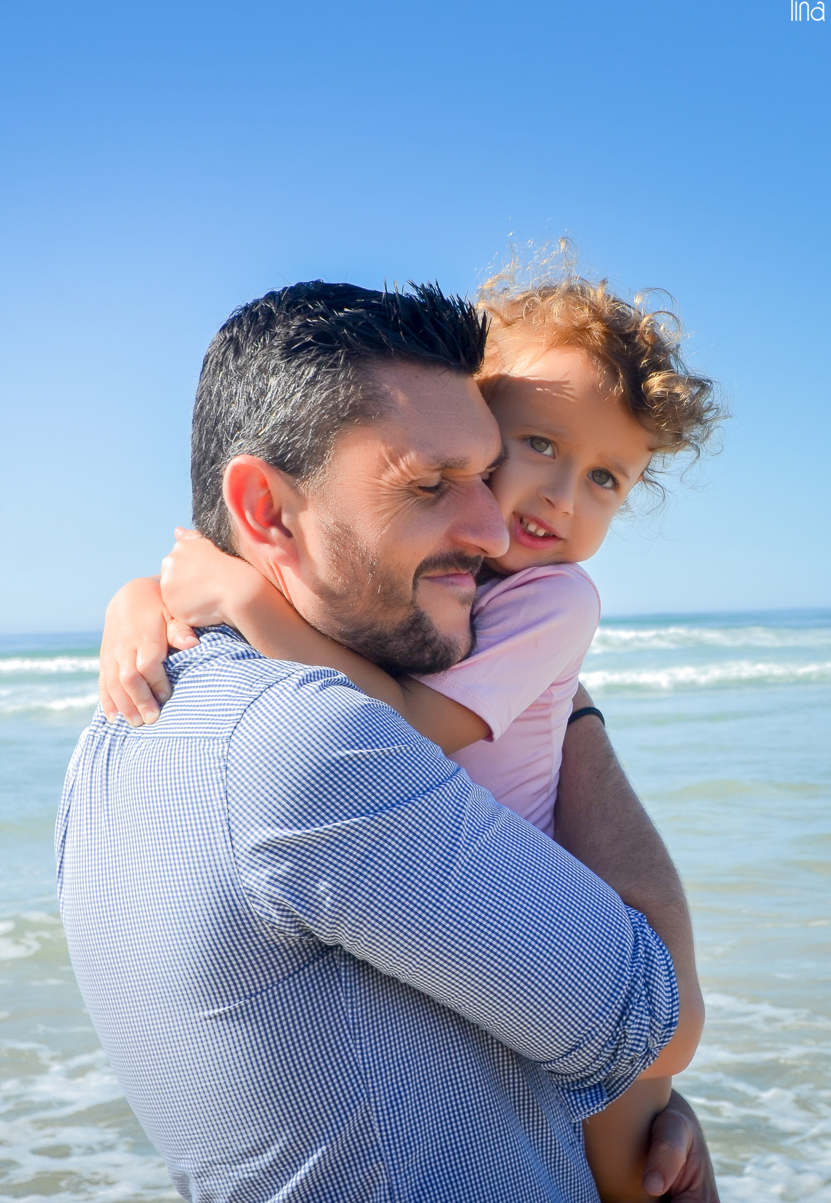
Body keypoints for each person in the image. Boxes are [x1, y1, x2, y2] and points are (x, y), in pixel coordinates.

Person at [60, 280, 718, 1202]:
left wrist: (187, 598)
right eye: (435, 482)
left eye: (607, 479)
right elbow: (663, 1021)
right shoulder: (313, 751)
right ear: (263, 509)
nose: (502, 523)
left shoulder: (114, 744)